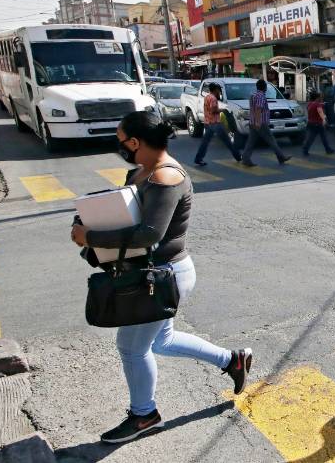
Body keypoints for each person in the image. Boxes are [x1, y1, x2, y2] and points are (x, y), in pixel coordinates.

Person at [70, 112, 252, 444]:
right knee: (161, 341)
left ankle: (145, 415)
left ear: (136, 142)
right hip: (150, 273)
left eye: (121, 140)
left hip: (163, 275)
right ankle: (232, 360)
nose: (119, 146)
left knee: (131, 347)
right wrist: (86, 217)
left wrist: (91, 236)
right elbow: (126, 212)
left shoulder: (167, 177)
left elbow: (149, 233)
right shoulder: (141, 172)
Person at [240, 79, 291, 167]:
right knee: (271, 140)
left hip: (253, 121)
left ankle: (245, 158)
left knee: (251, 141)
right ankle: (280, 156)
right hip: (260, 122)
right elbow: (258, 109)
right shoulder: (260, 96)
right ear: (265, 87)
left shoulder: (253, 95)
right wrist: (258, 122)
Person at [193, 82, 241, 166]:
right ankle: (238, 156)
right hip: (215, 123)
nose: (219, 91)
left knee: (205, 142)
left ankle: (198, 158)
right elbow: (213, 110)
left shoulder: (207, 97)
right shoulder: (213, 98)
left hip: (208, 122)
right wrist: (223, 110)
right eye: (218, 90)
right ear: (215, 90)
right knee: (227, 141)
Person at [302, 91, 335, 156]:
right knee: (323, 137)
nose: (320, 98)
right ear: (317, 98)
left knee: (311, 137)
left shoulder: (310, 104)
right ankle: (328, 149)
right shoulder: (317, 105)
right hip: (318, 123)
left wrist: (323, 104)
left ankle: (305, 148)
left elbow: (316, 107)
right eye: (319, 97)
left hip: (310, 123)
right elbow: (320, 113)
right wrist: (324, 120)